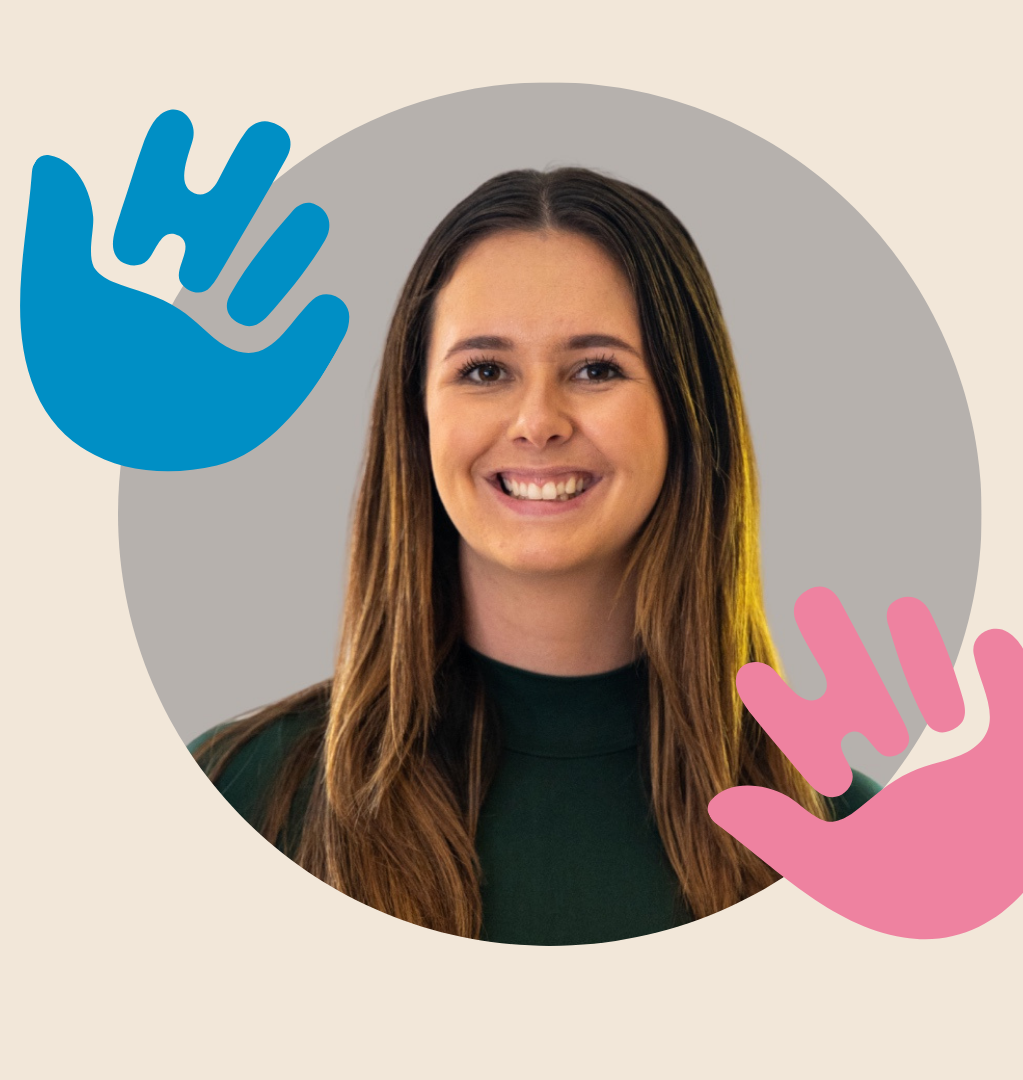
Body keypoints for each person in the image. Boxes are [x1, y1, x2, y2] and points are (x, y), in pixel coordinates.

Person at [190, 167, 880, 945]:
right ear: (415, 418)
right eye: (484, 371)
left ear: (690, 415)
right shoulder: (234, 797)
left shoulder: (856, 842)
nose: (537, 420)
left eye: (596, 369)